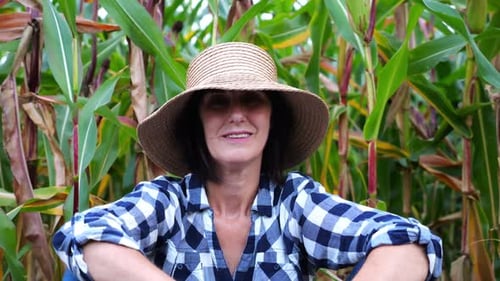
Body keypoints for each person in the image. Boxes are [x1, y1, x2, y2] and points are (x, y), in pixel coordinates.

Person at [53, 42, 443, 281]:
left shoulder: (295, 203)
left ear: (273, 118)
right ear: (197, 122)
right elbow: (83, 235)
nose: (236, 114)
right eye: (218, 102)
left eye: (253, 99)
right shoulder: (168, 202)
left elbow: (411, 245)